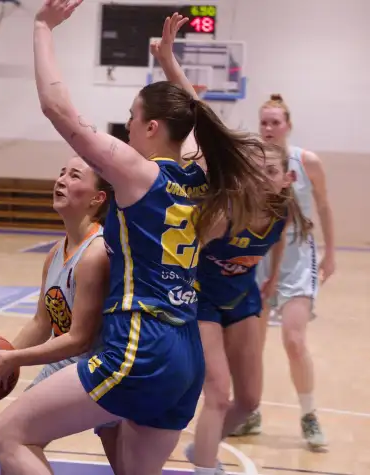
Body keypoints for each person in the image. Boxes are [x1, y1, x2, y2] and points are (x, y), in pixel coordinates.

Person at [0, 2, 270, 474]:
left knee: (9, 434)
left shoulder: (139, 174)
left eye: (132, 116)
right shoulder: (198, 174)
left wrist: (42, 28)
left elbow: (57, 108)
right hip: (186, 354)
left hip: (140, 344)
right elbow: (197, 123)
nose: (128, 125)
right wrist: (169, 65)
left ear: (152, 127)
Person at [150, 16, 312, 474]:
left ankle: (200, 450)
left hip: (241, 300)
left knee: (248, 402)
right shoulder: (224, 209)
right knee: (217, 394)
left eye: (269, 168)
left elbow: (274, 246)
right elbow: (201, 115)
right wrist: (169, 61)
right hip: (200, 300)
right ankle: (206, 466)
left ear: (286, 179)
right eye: (254, 165)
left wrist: (273, 278)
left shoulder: (285, 212)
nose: (259, 170)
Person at [0, 154, 117, 452]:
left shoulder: (96, 254)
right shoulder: (55, 252)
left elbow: (79, 340)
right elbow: (42, 322)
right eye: (62, 173)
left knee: (12, 437)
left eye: (74, 176)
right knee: (12, 438)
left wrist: (14, 360)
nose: (61, 180)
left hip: (100, 366)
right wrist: (2, 356)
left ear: (97, 198)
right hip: (67, 363)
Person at [231, 94, 335, 450]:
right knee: (252, 345)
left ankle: (309, 415)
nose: (269, 128)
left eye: (275, 122)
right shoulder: (250, 163)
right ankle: (251, 412)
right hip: (259, 258)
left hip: (297, 257)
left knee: (293, 339)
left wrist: (331, 253)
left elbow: (324, 206)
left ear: (288, 125)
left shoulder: (307, 162)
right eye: (264, 122)